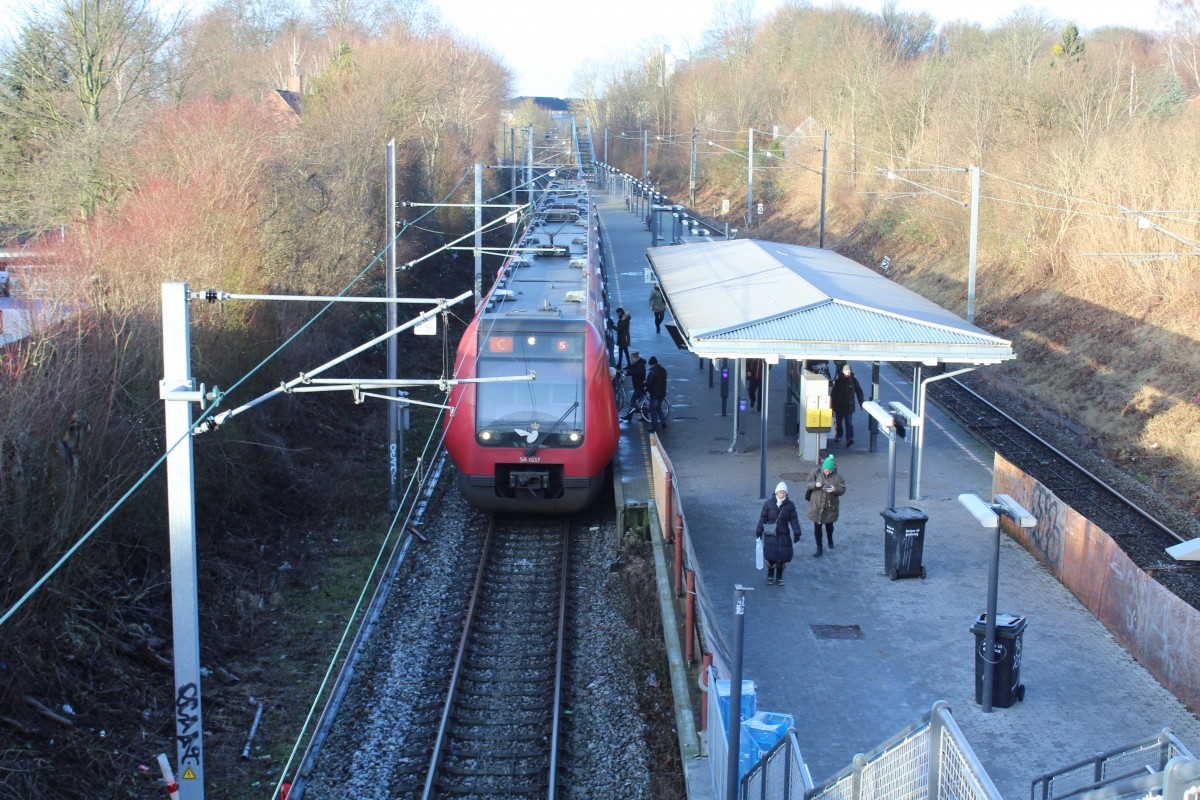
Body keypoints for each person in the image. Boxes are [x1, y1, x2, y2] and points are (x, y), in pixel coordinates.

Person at [756, 481, 803, 585]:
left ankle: (779, 576)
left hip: (784, 534)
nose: (782, 494)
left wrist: (797, 532)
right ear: (776, 492)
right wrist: (759, 531)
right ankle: (770, 575)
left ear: (786, 493)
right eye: (780, 492)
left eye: (784, 492)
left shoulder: (790, 505)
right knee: (771, 556)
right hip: (771, 534)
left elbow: (794, 520)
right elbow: (763, 518)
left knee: (783, 557)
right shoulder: (768, 504)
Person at [806, 454, 846, 557]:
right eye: (825, 470)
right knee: (817, 527)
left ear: (832, 469)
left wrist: (835, 489)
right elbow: (808, 483)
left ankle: (830, 539)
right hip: (817, 506)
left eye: (829, 470)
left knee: (829, 525)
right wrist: (815, 485)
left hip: (830, 506)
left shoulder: (838, 477)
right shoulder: (816, 472)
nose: (827, 472)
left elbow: (843, 489)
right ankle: (819, 548)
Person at [831, 363, 865, 446]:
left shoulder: (854, 381)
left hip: (849, 407)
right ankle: (839, 435)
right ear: (844, 372)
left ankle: (849, 439)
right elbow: (833, 394)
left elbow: (859, 392)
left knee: (848, 422)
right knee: (839, 422)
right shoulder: (838, 382)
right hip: (839, 406)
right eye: (847, 371)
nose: (849, 373)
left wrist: (862, 403)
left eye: (849, 371)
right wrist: (831, 407)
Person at [621, 351, 646, 422]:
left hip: (639, 385)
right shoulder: (637, 363)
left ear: (635, 358)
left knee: (633, 401)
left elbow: (637, 372)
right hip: (638, 385)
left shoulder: (640, 364)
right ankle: (645, 416)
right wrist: (626, 372)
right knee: (642, 401)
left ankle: (629, 416)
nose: (630, 359)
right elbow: (633, 370)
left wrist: (628, 372)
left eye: (631, 358)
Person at [645, 355, 668, 432]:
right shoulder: (663, 370)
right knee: (659, 408)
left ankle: (655, 427)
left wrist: (644, 384)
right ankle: (663, 422)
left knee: (653, 410)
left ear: (651, 364)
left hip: (655, 394)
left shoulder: (652, 372)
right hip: (662, 393)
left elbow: (649, 383)